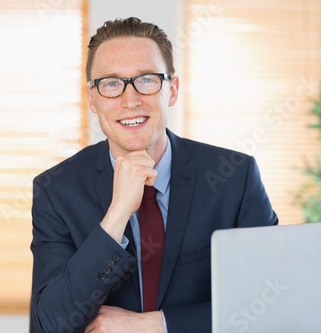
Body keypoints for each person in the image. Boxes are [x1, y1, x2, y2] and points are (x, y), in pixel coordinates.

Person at [30, 17, 278, 333]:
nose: (130, 100)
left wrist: (158, 324)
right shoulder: (56, 191)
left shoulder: (235, 178)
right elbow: (50, 323)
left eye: (147, 80)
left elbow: (271, 304)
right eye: (111, 84)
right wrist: (116, 215)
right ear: (92, 99)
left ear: (172, 90)